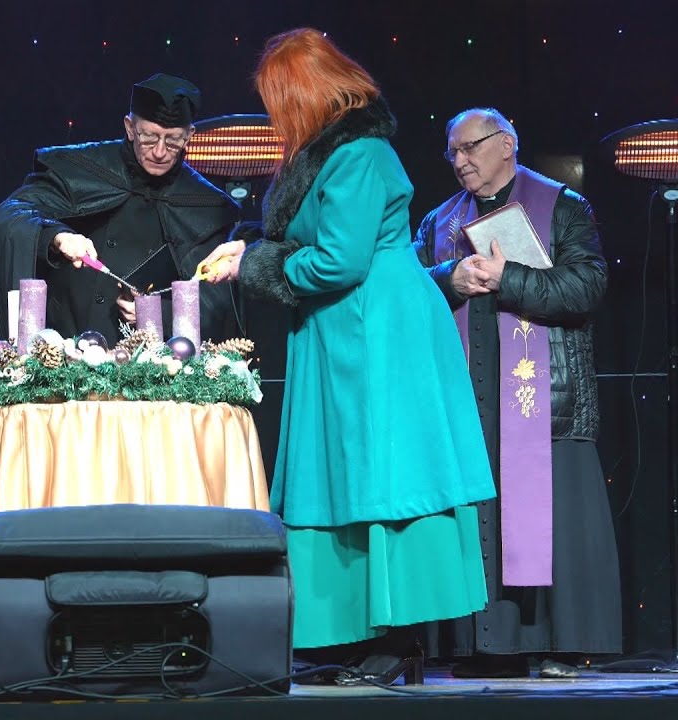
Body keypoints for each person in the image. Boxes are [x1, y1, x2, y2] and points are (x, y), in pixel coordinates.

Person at [201, 29, 495, 686]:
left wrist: (255, 264)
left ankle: (400, 639)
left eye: (280, 99)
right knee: (341, 477)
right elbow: (308, 240)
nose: (276, 114)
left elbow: (340, 259)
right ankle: (355, 633)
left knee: (383, 475)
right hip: (340, 330)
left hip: (376, 330)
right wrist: (248, 250)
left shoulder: (360, 153)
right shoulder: (325, 156)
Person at [413, 107, 620, 679]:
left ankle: (553, 645)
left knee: (542, 521)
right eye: (452, 152)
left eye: (470, 147)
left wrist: (510, 278)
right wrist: (448, 277)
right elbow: (406, 291)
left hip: (543, 398)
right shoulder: (438, 221)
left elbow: (587, 287)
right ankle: (481, 647)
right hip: (465, 398)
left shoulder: (563, 206)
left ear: (506, 144)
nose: (459, 161)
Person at [0, 73, 241, 346]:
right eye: (149, 137)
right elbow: (11, 214)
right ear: (130, 128)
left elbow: (217, 304)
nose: (160, 151)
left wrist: (159, 313)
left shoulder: (206, 205)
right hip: (61, 352)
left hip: (150, 363)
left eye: (173, 140)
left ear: (190, 136)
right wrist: (57, 237)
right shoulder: (82, 168)